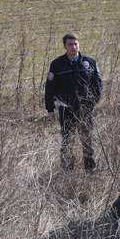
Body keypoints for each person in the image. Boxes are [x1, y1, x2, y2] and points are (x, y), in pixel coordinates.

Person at [45, 33, 103, 173]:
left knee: (87, 140)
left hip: (85, 109)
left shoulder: (89, 62)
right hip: (66, 110)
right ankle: (67, 172)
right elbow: (50, 87)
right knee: (67, 141)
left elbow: (98, 84)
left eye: (76, 43)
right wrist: (50, 109)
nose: (74, 46)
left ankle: (90, 171)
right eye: (70, 44)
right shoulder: (57, 64)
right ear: (65, 46)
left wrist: (93, 102)